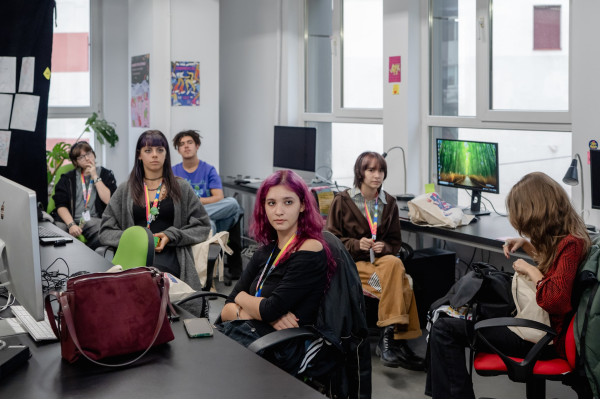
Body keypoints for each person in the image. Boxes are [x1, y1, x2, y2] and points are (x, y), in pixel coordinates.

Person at [425, 172, 591, 398]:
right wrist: (528, 246)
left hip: (541, 339)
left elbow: (556, 299)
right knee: (450, 317)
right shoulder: (571, 237)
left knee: (444, 329)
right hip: (538, 327)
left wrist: (531, 270)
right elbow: (555, 273)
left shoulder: (571, 244)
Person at [218, 170, 335, 372]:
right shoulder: (265, 250)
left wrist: (244, 299)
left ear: (302, 205)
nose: (278, 211)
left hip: (280, 348)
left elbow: (268, 309)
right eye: (271, 203)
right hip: (250, 336)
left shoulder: (310, 249)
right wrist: (262, 313)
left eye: (288, 202)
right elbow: (226, 308)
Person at [326, 151, 424, 371]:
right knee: (402, 282)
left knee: (395, 263)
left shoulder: (389, 202)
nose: (377, 175)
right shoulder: (342, 200)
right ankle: (396, 343)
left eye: (380, 171)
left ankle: (389, 339)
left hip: (380, 262)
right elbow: (330, 241)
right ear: (360, 173)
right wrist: (355, 244)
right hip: (352, 264)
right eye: (371, 170)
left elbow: (395, 242)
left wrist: (384, 247)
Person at [99, 130, 211, 291]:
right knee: (136, 282)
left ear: (166, 154)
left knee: (153, 279)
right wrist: (136, 240)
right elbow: (105, 231)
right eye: (148, 150)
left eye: (160, 150)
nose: (154, 155)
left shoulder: (181, 187)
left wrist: (171, 235)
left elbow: (202, 225)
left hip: (170, 254)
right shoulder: (125, 189)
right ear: (139, 155)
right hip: (133, 256)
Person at [171, 130, 244, 279]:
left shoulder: (208, 169)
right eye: (182, 144)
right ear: (178, 150)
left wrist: (195, 202)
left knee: (232, 204)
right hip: (186, 215)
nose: (186, 146)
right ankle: (208, 276)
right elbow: (173, 201)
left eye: (190, 142)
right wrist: (193, 204)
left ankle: (205, 275)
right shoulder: (173, 172)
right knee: (210, 223)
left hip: (204, 212)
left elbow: (219, 197)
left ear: (197, 145)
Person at [52, 141, 117, 249]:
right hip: (71, 220)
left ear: (93, 154)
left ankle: (85, 251)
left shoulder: (106, 174)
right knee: (57, 229)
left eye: (88, 153)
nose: (87, 158)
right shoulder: (67, 178)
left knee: (103, 231)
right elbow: (60, 204)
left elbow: (109, 200)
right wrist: (71, 224)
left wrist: (95, 176)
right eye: (81, 157)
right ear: (76, 162)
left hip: (94, 220)